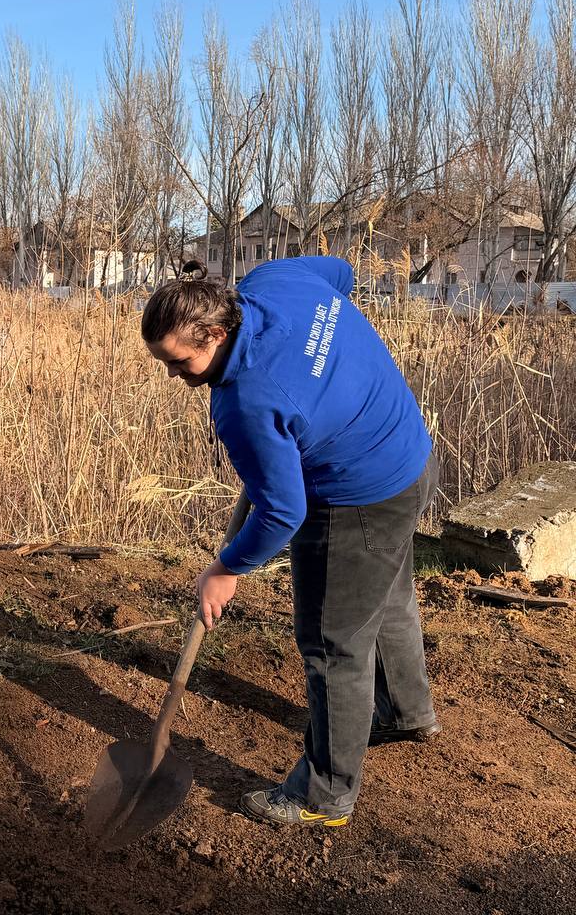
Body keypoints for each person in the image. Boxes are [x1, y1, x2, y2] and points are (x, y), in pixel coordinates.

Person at [139, 256, 440, 827]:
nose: (174, 375)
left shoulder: (244, 404)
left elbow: (282, 511)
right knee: (384, 595)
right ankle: (404, 711)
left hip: (357, 498)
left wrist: (227, 567)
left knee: (333, 643)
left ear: (216, 332)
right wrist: (324, 367)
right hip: (408, 459)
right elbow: (340, 274)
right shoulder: (276, 282)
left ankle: (323, 796)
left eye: (179, 361)